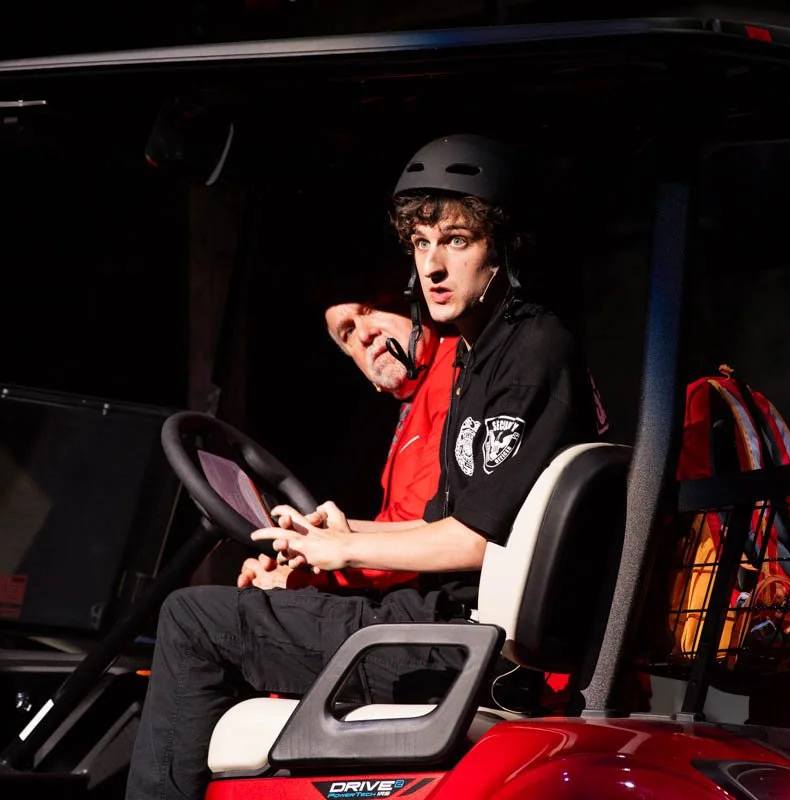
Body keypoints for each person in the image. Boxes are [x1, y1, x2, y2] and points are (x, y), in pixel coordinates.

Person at [125, 134, 608, 800]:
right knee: (227, 623)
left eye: (457, 241)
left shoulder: (530, 351)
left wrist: (343, 550)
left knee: (191, 621)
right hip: (444, 624)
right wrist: (335, 533)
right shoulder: (479, 354)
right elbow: (442, 521)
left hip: (463, 644)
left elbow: (473, 540)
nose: (433, 266)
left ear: (501, 245)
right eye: (421, 244)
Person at [237, 294, 457, 594]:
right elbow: (397, 528)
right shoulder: (415, 400)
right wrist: (304, 555)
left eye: (373, 309)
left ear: (417, 303)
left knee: (190, 608)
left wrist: (309, 578)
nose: (365, 334)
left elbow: (425, 530)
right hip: (408, 596)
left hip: (434, 605)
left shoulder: (454, 372)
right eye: (349, 331)